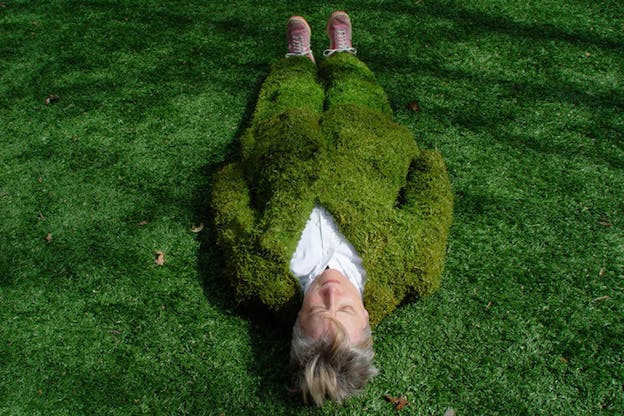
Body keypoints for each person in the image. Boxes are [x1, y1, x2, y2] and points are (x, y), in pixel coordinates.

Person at [211, 11, 453, 406]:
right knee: (358, 92)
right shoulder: (410, 270)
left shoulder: (258, 280)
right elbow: (430, 212)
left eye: (317, 311)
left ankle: (297, 62)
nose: (330, 294)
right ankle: (342, 56)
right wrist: (424, 164)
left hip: (284, 136)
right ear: (367, 321)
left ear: (296, 325)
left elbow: (231, 216)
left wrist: (238, 172)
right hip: (366, 140)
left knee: (286, 94)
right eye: (344, 309)